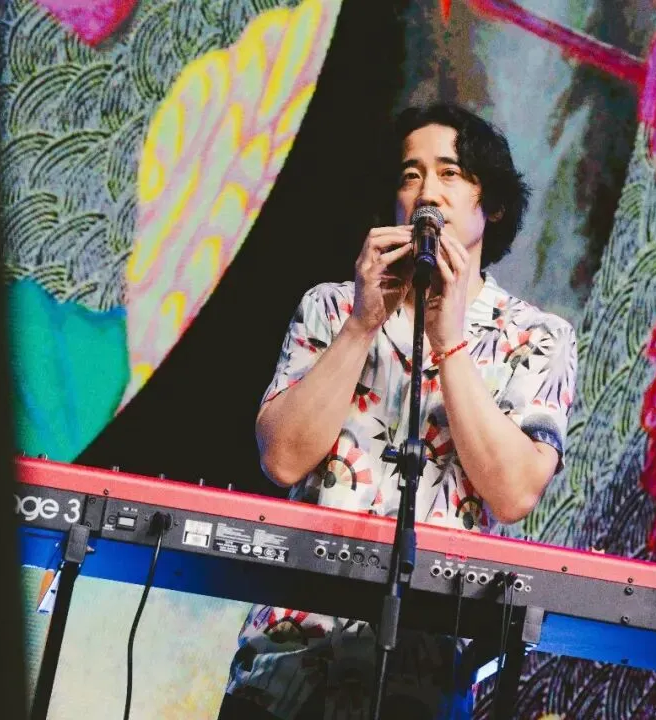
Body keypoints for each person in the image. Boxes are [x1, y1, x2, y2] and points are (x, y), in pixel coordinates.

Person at [216, 103, 578, 720]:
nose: (427, 192)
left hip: (424, 677)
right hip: (286, 663)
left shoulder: (536, 336)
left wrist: (451, 342)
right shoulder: (331, 308)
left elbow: (515, 492)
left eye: (449, 173)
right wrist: (363, 324)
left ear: (490, 205)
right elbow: (281, 459)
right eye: (411, 175)